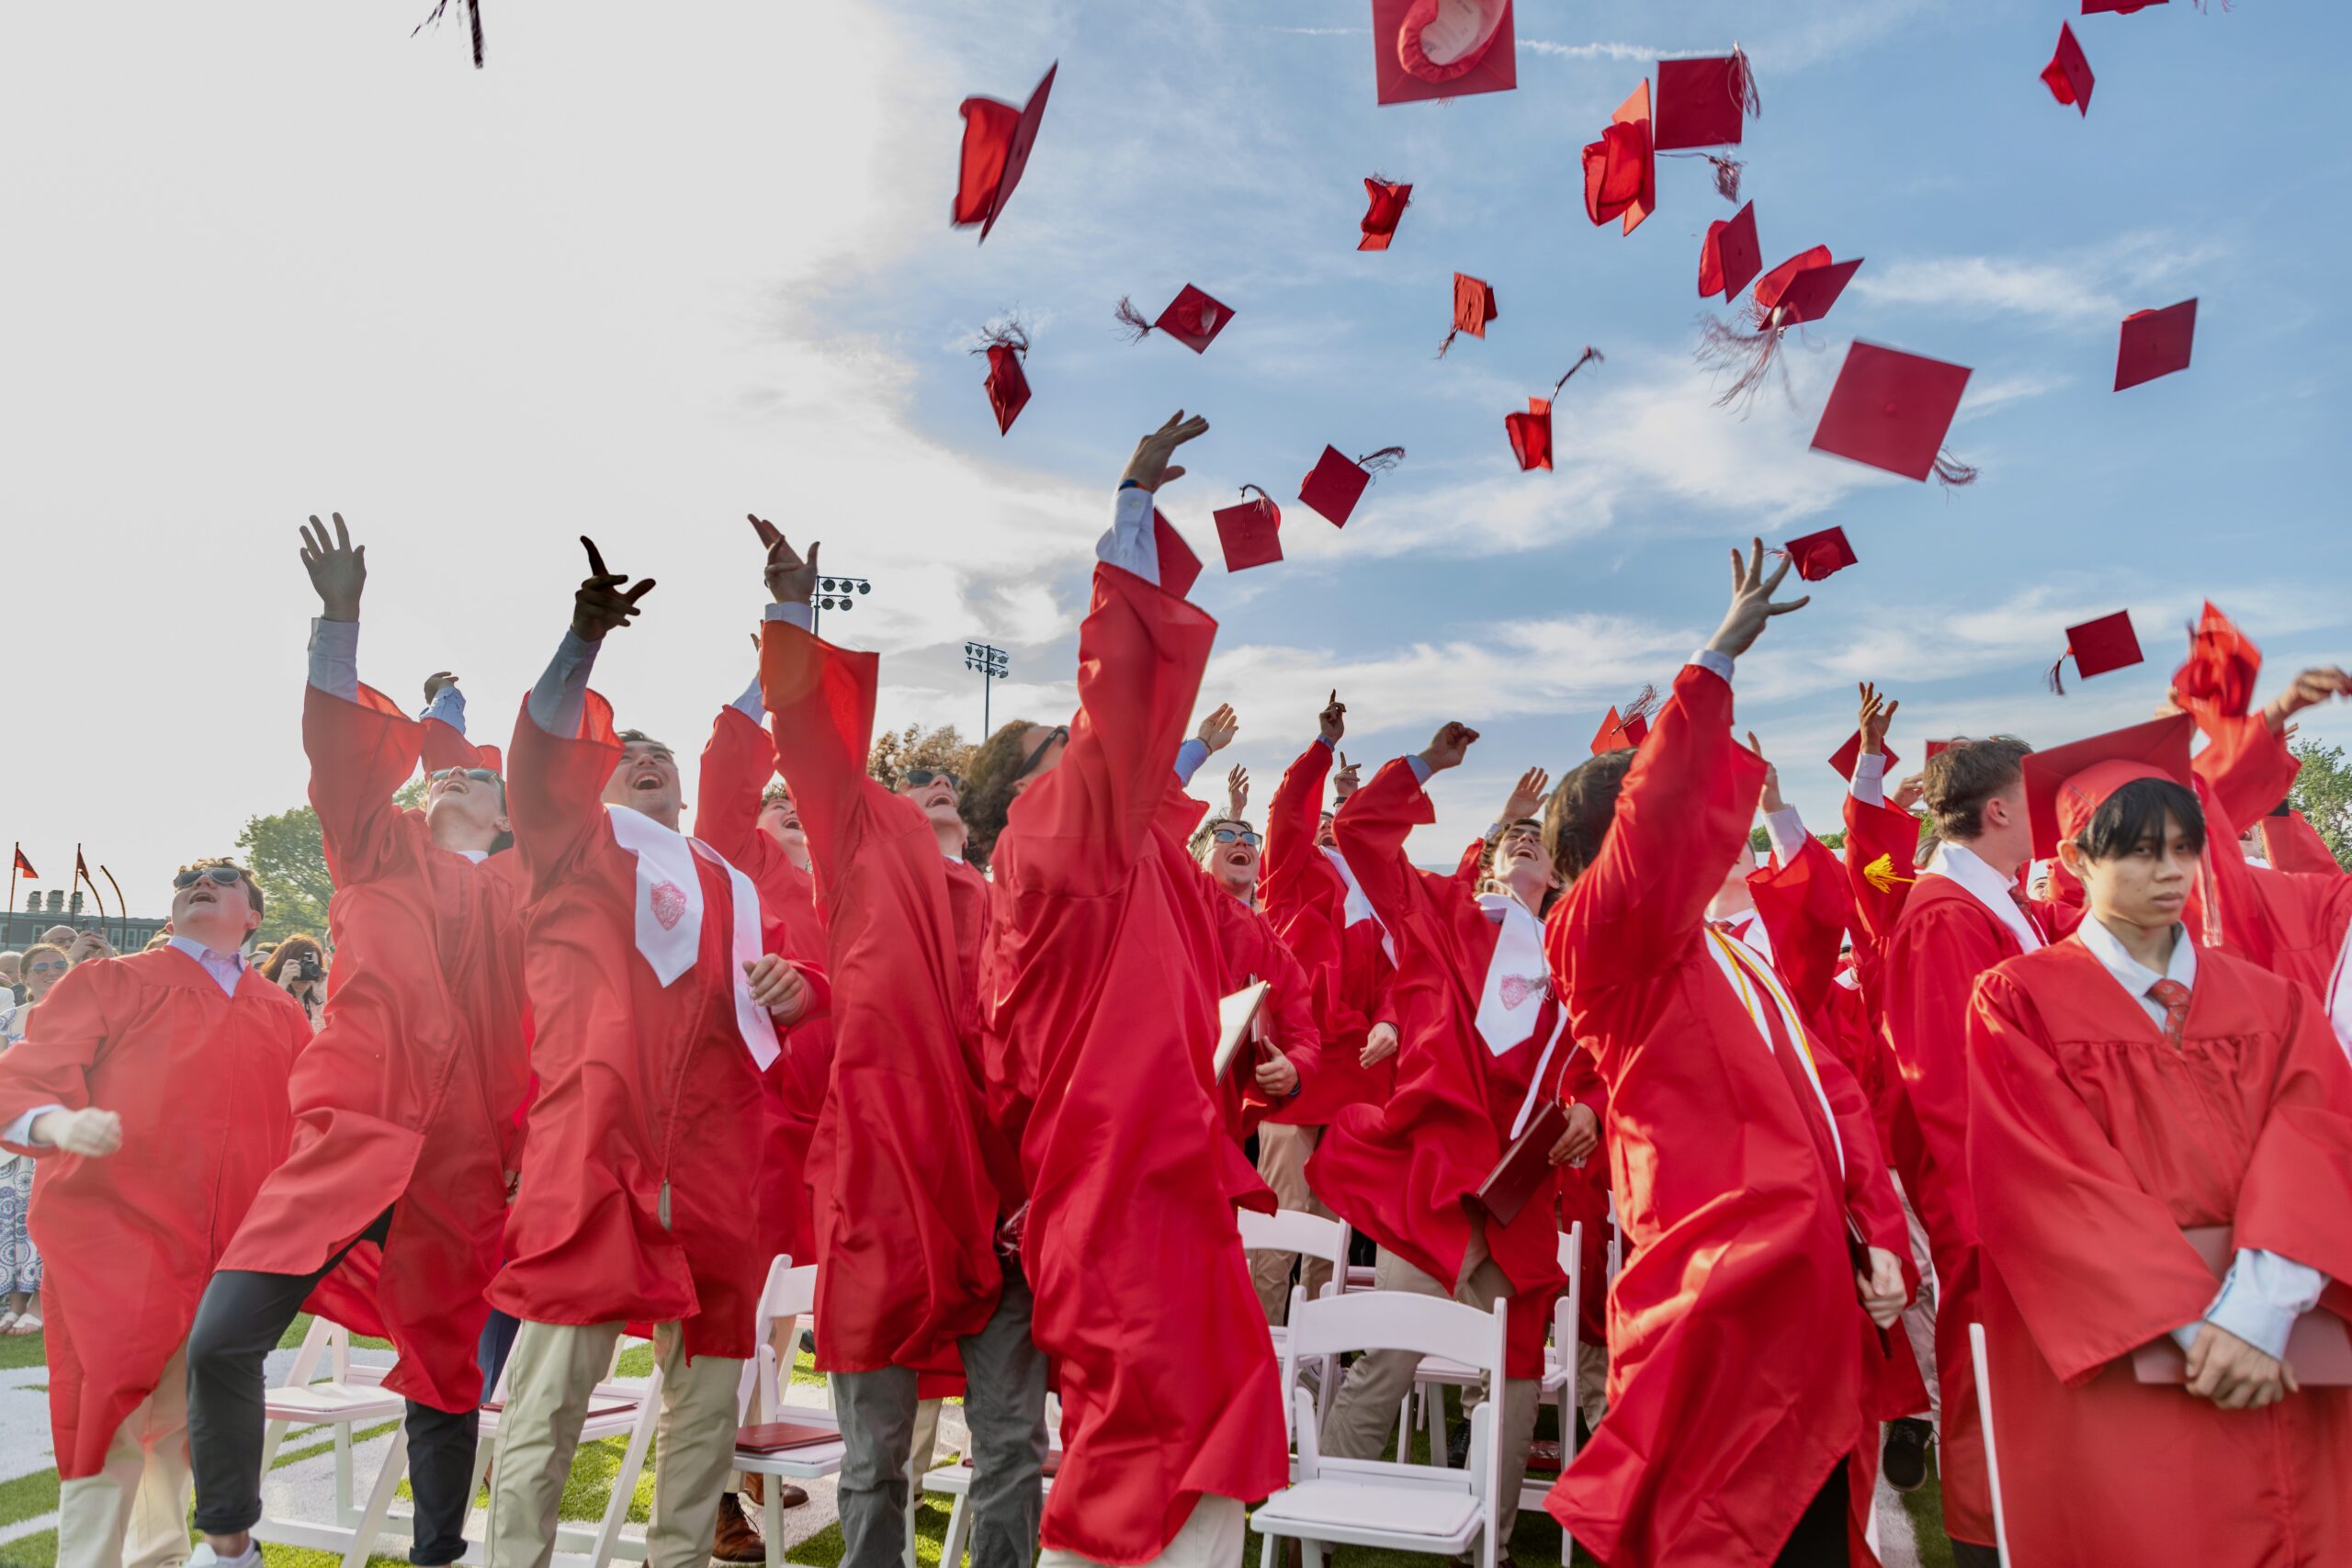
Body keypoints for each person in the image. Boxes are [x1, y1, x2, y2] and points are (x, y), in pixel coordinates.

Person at [1540, 541, 1909, 1568]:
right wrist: (1714, 660)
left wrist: (1876, 1233)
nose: (1713, 828)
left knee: (1807, 1522)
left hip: (1804, 1282)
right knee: (1722, 1523)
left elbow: (1830, 1093)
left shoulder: (1726, 960)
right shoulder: (1601, 943)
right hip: (1719, 1285)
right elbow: (1651, 833)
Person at [186, 515, 535, 1568]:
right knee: (221, 1339)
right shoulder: (375, 853)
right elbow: (341, 753)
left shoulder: (523, 896)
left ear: (506, 814)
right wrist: (338, 622)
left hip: (461, 1159)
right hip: (350, 1135)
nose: (446, 781)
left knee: (442, 1370)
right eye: (439, 774)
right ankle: (229, 1541)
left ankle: (438, 1553)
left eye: (470, 777)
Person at [982, 412, 1288, 1567]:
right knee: (1132, 1461)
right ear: (1032, 784)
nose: (1094, 746)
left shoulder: (1129, 860)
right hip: (1116, 1195)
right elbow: (1117, 708)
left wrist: (1253, 1057)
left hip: (1162, 1180)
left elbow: (1210, 961)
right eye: (1064, 745)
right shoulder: (1055, 842)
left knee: (1208, 1427)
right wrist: (1126, 520)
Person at [1967, 721, 2352, 1567]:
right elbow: (2052, 1184)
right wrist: (2201, 1327)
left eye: (2184, 847)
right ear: (2073, 860)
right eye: (2138, 851)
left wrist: (2258, 1312)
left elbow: (2318, 1134)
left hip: (2280, 1337)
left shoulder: (2270, 999)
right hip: (2137, 1350)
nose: (2171, 871)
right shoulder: (2018, 1000)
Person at [482, 537, 795, 1568]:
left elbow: (749, 750)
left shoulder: (732, 880)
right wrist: (581, 644)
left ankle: (679, 1558)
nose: (649, 756)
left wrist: (806, 991)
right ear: (597, 775)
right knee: (548, 1399)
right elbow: (537, 760)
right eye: (629, 750)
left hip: (713, 1160)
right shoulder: (575, 849)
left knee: (705, 1403)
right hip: (599, 1149)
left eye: (663, 753)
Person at [756, 516, 1046, 1568]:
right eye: (910, 776)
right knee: (876, 1453)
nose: (926, 785)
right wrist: (790, 609)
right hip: (883, 1192)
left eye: (943, 781)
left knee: (1012, 1443)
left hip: (1000, 1202)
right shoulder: (865, 843)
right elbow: (808, 738)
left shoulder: (1024, 893)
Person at [1306, 731, 1578, 1550]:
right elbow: (1358, 832)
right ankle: (1331, 1517)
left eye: (1540, 840)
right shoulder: (1447, 916)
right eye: (1511, 837)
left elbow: (1603, 1051)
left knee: (1518, 1374)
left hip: (1520, 1188)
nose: (1525, 843)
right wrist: (1424, 765)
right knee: (1390, 1355)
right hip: (1434, 1179)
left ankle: (1490, 1538)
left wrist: (1592, 1106)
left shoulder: (1577, 949)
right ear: (1489, 860)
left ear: (1561, 869)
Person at [0, 861, 305, 1568]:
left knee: (181, 1420)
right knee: (105, 1408)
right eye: (190, 876)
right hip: (115, 1236)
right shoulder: (111, 982)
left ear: (253, 915)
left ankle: (159, 1556)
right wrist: (53, 1125)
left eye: (224, 876)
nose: (203, 878)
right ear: (173, 910)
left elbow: (311, 1117)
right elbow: (33, 1069)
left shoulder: (282, 1013)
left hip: (231, 1245)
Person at [1876, 725, 2083, 1565]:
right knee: (1986, 1392)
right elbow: (1945, 1083)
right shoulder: (1943, 914)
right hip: (1990, 1200)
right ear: (1999, 808)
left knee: (2029, 1402)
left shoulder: (1997, 901)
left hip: (2029, 1190)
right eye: (2030, 796)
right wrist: (2001, 1209)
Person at [1250, 694, 1398, 1322]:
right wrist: (1322, 746)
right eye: (1322, 816)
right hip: (1295, 1054)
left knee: (1334, 1222)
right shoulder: (1288, 868)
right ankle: (1257, 1346)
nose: (1323, 822)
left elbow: (1400, 967)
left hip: (1357, 1062)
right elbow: (1286, 808)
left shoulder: (1377, 885)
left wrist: (1392, 1019)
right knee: (1284, 1209)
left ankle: (1319, 1358)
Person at [0, 942, 63, 1335]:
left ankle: (40, 1303)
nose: (51, 972)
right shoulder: (7, 1020)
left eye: (59, 964)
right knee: (12, 1218)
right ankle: (15, 1300)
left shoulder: (80, 1016)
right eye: (41, 967)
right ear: (24, 978)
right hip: (14, 1132)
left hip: (57, 1129)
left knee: (47, 1215)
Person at [258, 931, 327, 1032]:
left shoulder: (319, 1003)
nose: (306, 971)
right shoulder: (263, 997)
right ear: (282, 965)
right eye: (302, 966)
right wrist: (282, 985)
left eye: (312, 966)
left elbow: (338, 1034)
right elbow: (263, 1028)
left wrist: (325, 995)